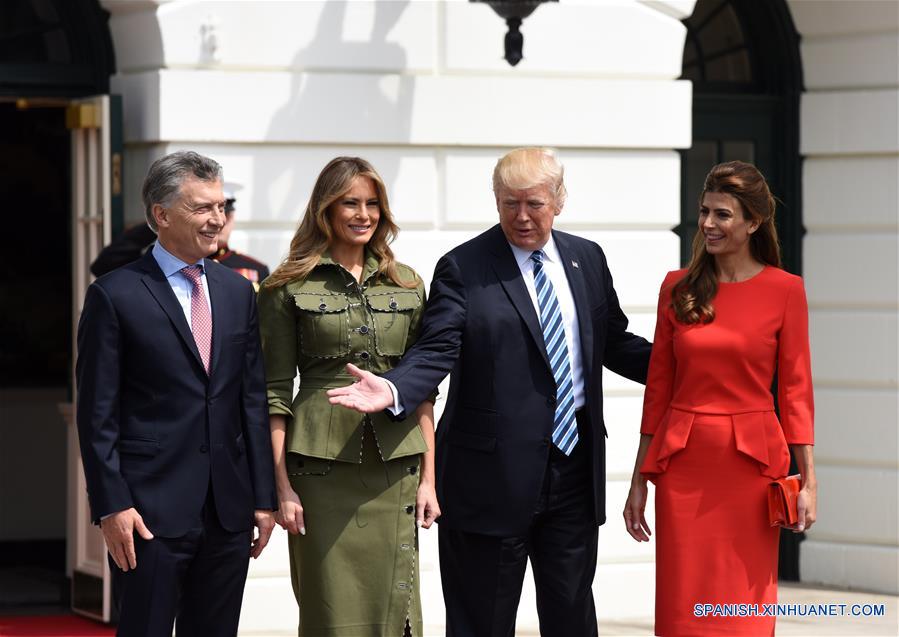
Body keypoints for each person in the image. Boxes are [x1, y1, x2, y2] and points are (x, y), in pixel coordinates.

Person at [327, 147, 652, 636]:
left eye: (534, 204)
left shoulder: (586, 258)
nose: (521, 217)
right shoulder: (464, 267)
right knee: (482, 623)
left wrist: (693, 366)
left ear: (559, 200)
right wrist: (394, 389)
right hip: (488, 480)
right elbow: (437, 351)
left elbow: (614, 343)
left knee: (572, 619)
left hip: (573, 475)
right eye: (508, 204)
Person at [76, 151, 277, 637]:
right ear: (161, 215)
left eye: (221, 206)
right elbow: (96, 413)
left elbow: (250, 400)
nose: (217, 220)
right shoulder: (115, 294)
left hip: (227, 512)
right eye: (202, 208)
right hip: (146, 513)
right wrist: (111, 504)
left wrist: (263, 497)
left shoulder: (237, 292)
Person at [623, 161, 817, 636]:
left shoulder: (785, 290)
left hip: (752, 471)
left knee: (743, 607)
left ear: (753, 222)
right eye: (705, 211)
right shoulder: (678, 287)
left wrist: (809, 480)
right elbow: (660, 390)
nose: (708, 223)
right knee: (682, 604)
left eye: (722, 214)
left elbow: (796, 391)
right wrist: (637, 479)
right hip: (683, 466)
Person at [256, 156, 439, 637]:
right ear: (325, 210)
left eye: (372, 204)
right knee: (330, 611)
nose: (363, 214)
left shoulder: (409, 284)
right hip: (317, 474)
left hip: (396, 468)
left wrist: (429, 481)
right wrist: (281, 487)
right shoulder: (284, 286)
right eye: (350, 203)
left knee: (395, 611)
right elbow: (274, 394)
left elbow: (423, 394)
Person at [90, 183, 270, 288]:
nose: (218, 221)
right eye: (203, 211)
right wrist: (159, 222)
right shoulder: (157, 262)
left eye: (224, 212)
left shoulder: (254, 269)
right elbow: (105, 264)